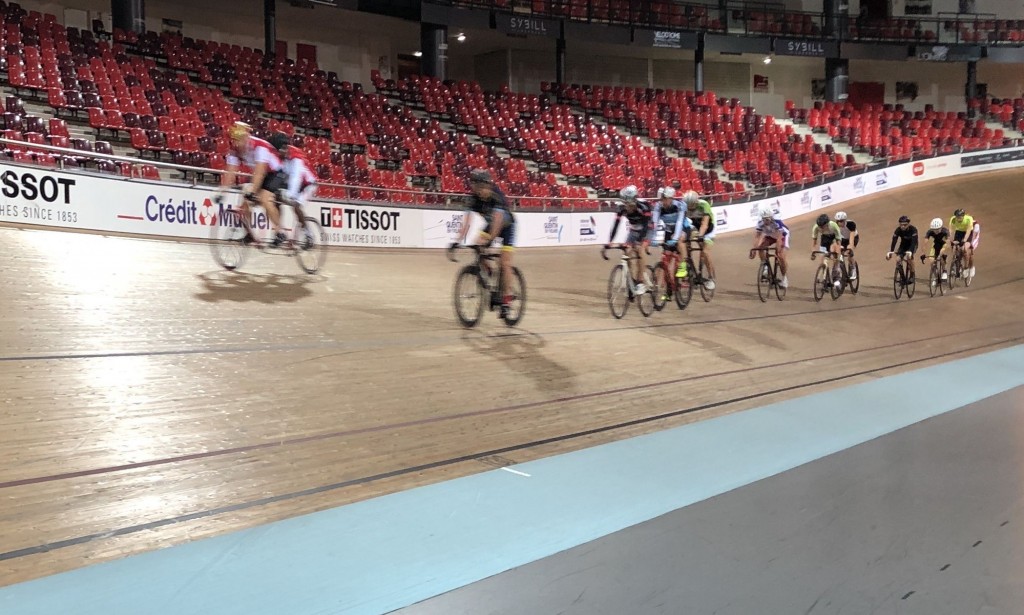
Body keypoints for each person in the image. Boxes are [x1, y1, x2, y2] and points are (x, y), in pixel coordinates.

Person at [453, 169, 517, 318]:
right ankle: (487, 272)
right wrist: (457, 241)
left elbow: (497, 223)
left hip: (506, 227)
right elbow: (467, 221)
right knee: (477, 244)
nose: (479, 191)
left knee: (505, 262)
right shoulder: (473, 198)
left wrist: (489, 240)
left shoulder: (497, 197)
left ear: (488, 185)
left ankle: (506, 301)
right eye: (476, 187)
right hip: (491, 226)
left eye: (482, 187)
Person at [216, 122, 289, 246]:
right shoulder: (235, 150)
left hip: (276, 172)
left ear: (246, 138)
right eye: (234, 140)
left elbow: (259, 173)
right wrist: (222, 191)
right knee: (244, 205)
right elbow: (230, 173)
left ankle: (280, 232)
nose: (237, 144)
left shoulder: (260, 147)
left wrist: (252, 191)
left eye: (239, 140)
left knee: (265, 198)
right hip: (263, 173)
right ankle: (249, 234)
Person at [606, 185, 652, 295]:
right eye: (625, 204)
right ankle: (632, 281)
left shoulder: (643, 206)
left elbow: (646, 226)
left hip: (648, 229)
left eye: (629, 204)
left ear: (634, 200)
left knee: (640, 250)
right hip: (634, 229)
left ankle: (640, 282)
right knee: (627, 252)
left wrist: (640, 241)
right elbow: (616, 225)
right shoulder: (621, 208)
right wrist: (609, 242)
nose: (627, 207)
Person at [650, 187, 693, 281]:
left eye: (665, 199)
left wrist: (676, 238)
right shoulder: (658, 206)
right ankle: (668, 286)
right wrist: (653, 238)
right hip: (669, 230)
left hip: (683, 227)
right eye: (662, 199)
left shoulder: (679, 205)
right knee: (666, 255)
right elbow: (655, 223)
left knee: (680, 242)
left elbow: (679, 222)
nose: (663, 201)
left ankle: (683, 266)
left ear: (671, 198)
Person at [280, 142, 319, 247]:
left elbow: (295, 177)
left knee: (296, 206)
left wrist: (291, 194)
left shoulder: (296, 157)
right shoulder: (284, 158)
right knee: (292, 206)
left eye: (281, 151)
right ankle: (291, 235)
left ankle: (309, 235)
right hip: (300, 184)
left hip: (309, 184)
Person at [681, 190, 716, 290]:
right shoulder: (684, 207)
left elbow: (704, 224)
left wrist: (700, 236)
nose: (689, 207)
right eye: (687, 205)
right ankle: (689, 271)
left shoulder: (704, 205)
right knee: (683, 246)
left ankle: (711, 278)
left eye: (691, 205)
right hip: (695, 228)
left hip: (708, 229)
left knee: (705, 252)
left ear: (696, 202)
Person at [750, 204, 790, 288]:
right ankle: (765, 266)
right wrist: (754, 249)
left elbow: (779, 238)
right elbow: (757, 237)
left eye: (767, 219)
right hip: (770, 235)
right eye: (764, 219)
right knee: (760, 248)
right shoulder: (760, 223)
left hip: (782, 235)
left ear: (771, 217)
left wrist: (778, 250)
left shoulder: (776, 222)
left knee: (781, 256)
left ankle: (784, 278)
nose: (766, 221)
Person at [811, 213, 844, 289]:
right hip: (825, 239)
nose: (821, 228)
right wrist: (813, 253)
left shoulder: (834, 226)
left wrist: (837, 255)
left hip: (834, 239)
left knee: (835, 256)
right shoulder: (816, 227)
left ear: (827, 224)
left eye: (823, 226)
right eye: (820, 227)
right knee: (823, 259)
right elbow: (814, 243)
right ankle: (826, 279)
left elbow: (838, 242)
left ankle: (836, 278)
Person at [949, 208, 979, 279]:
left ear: (963, 216)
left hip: (968, 233)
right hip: (959, 232)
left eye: (960, 217)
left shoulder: (969, 219)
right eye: (957, 216)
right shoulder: (953, 219)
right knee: (954, 247)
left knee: (964, 249)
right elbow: (950, 229)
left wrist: (964, 240)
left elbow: (968, 231)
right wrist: (951, 238)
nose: (958, 218)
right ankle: (956, 263)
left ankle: (966, 268)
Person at [887, 214, 919, 279]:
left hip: (912, 245)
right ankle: (903, 278)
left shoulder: (913, 230)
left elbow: (914, 242)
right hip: (903, 245)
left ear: (908, 224)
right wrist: (891, 251)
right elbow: (894, 241)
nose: (903, 226)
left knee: (909, 257)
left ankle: (912, 274)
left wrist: (911, 252)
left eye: (905, 225)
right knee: (898, 259)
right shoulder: (898, 230)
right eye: (901, 225)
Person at [921, 217, 950, 283]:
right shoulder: (930, 232)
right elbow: (925, 243)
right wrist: (923, 253)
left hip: (944, 244)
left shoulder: (945, 231)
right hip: (936, 245)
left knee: (941, 256)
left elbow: (948, 243)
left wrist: (943, 253)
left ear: (941, 227)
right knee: (931, 260)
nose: (936, 231)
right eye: (934, 229)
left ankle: (944, 271)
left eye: (937, 229)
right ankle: (936, 277)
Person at [834, 211, 859, 281]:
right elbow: (835, 238)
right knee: (838, 253)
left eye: (841, 221)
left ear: (845, 220)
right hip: (843, 239)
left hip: (853, 238)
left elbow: (851, 237)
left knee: (849, 253)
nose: (839, 223)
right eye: (838, 221)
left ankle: (853, 268)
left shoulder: (851, 224)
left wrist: (850, 246)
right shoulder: (835, 226)